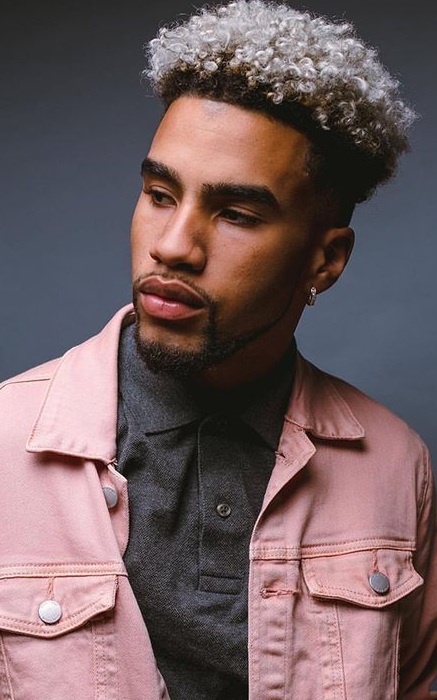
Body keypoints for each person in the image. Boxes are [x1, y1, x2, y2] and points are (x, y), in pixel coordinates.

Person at [0, 0, 436, 698]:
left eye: (235, 214)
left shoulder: (395, 464)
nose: (173, 247)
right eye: (159, 193)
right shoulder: (5, 446)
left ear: (325, 260)